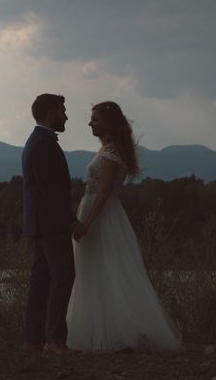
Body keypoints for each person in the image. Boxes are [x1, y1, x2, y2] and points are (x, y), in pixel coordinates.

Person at [66, 101, 183, 352]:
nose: (90, 123)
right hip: (102, 215)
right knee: (96, 269)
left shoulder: (111, 153)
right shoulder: (108, 149)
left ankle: (113, 333)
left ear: (109, 123)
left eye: (95, 119)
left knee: (106, 269)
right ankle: (101, 331)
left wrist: (87, 222)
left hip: (102, 218)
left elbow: (106, 190)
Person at [22, 94, 87, 354]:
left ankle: (33, 340)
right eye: (62, 111)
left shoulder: (37, 141)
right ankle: (55, 340)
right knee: (63, 277)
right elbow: (50, 190)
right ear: (50, 113)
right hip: (51, 225)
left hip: (40, 223)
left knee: (41, 281)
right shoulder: (42, 144)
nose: (66, 116)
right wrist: (72, 222)